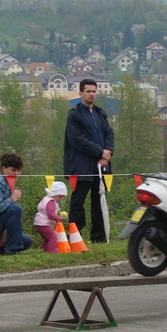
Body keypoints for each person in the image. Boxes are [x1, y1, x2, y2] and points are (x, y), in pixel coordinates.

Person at [64, 78, 114, 243]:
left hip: (100, 166)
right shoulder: (74, 115)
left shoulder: (101, 114)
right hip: (81, 166)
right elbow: (77, 140)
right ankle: (75, 237)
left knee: (99, 201)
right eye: (88, 91)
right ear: (81, 93)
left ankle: (99, 237)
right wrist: (100, 152)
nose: (91, 94)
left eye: (94, 91)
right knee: (78, 202)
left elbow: (109, 134)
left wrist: (107, 153)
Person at [34, 181, 68, 252]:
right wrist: (59, 218)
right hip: (44, 224)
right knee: (53, 237)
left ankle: (45, 249)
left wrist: (56, 220)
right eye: (60, 197)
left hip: (39, 223)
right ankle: (52, 251)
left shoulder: (46, 199)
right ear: (54, 194)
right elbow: (50, 214)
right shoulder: (51, 201)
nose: (60, 199)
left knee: (47, 238)